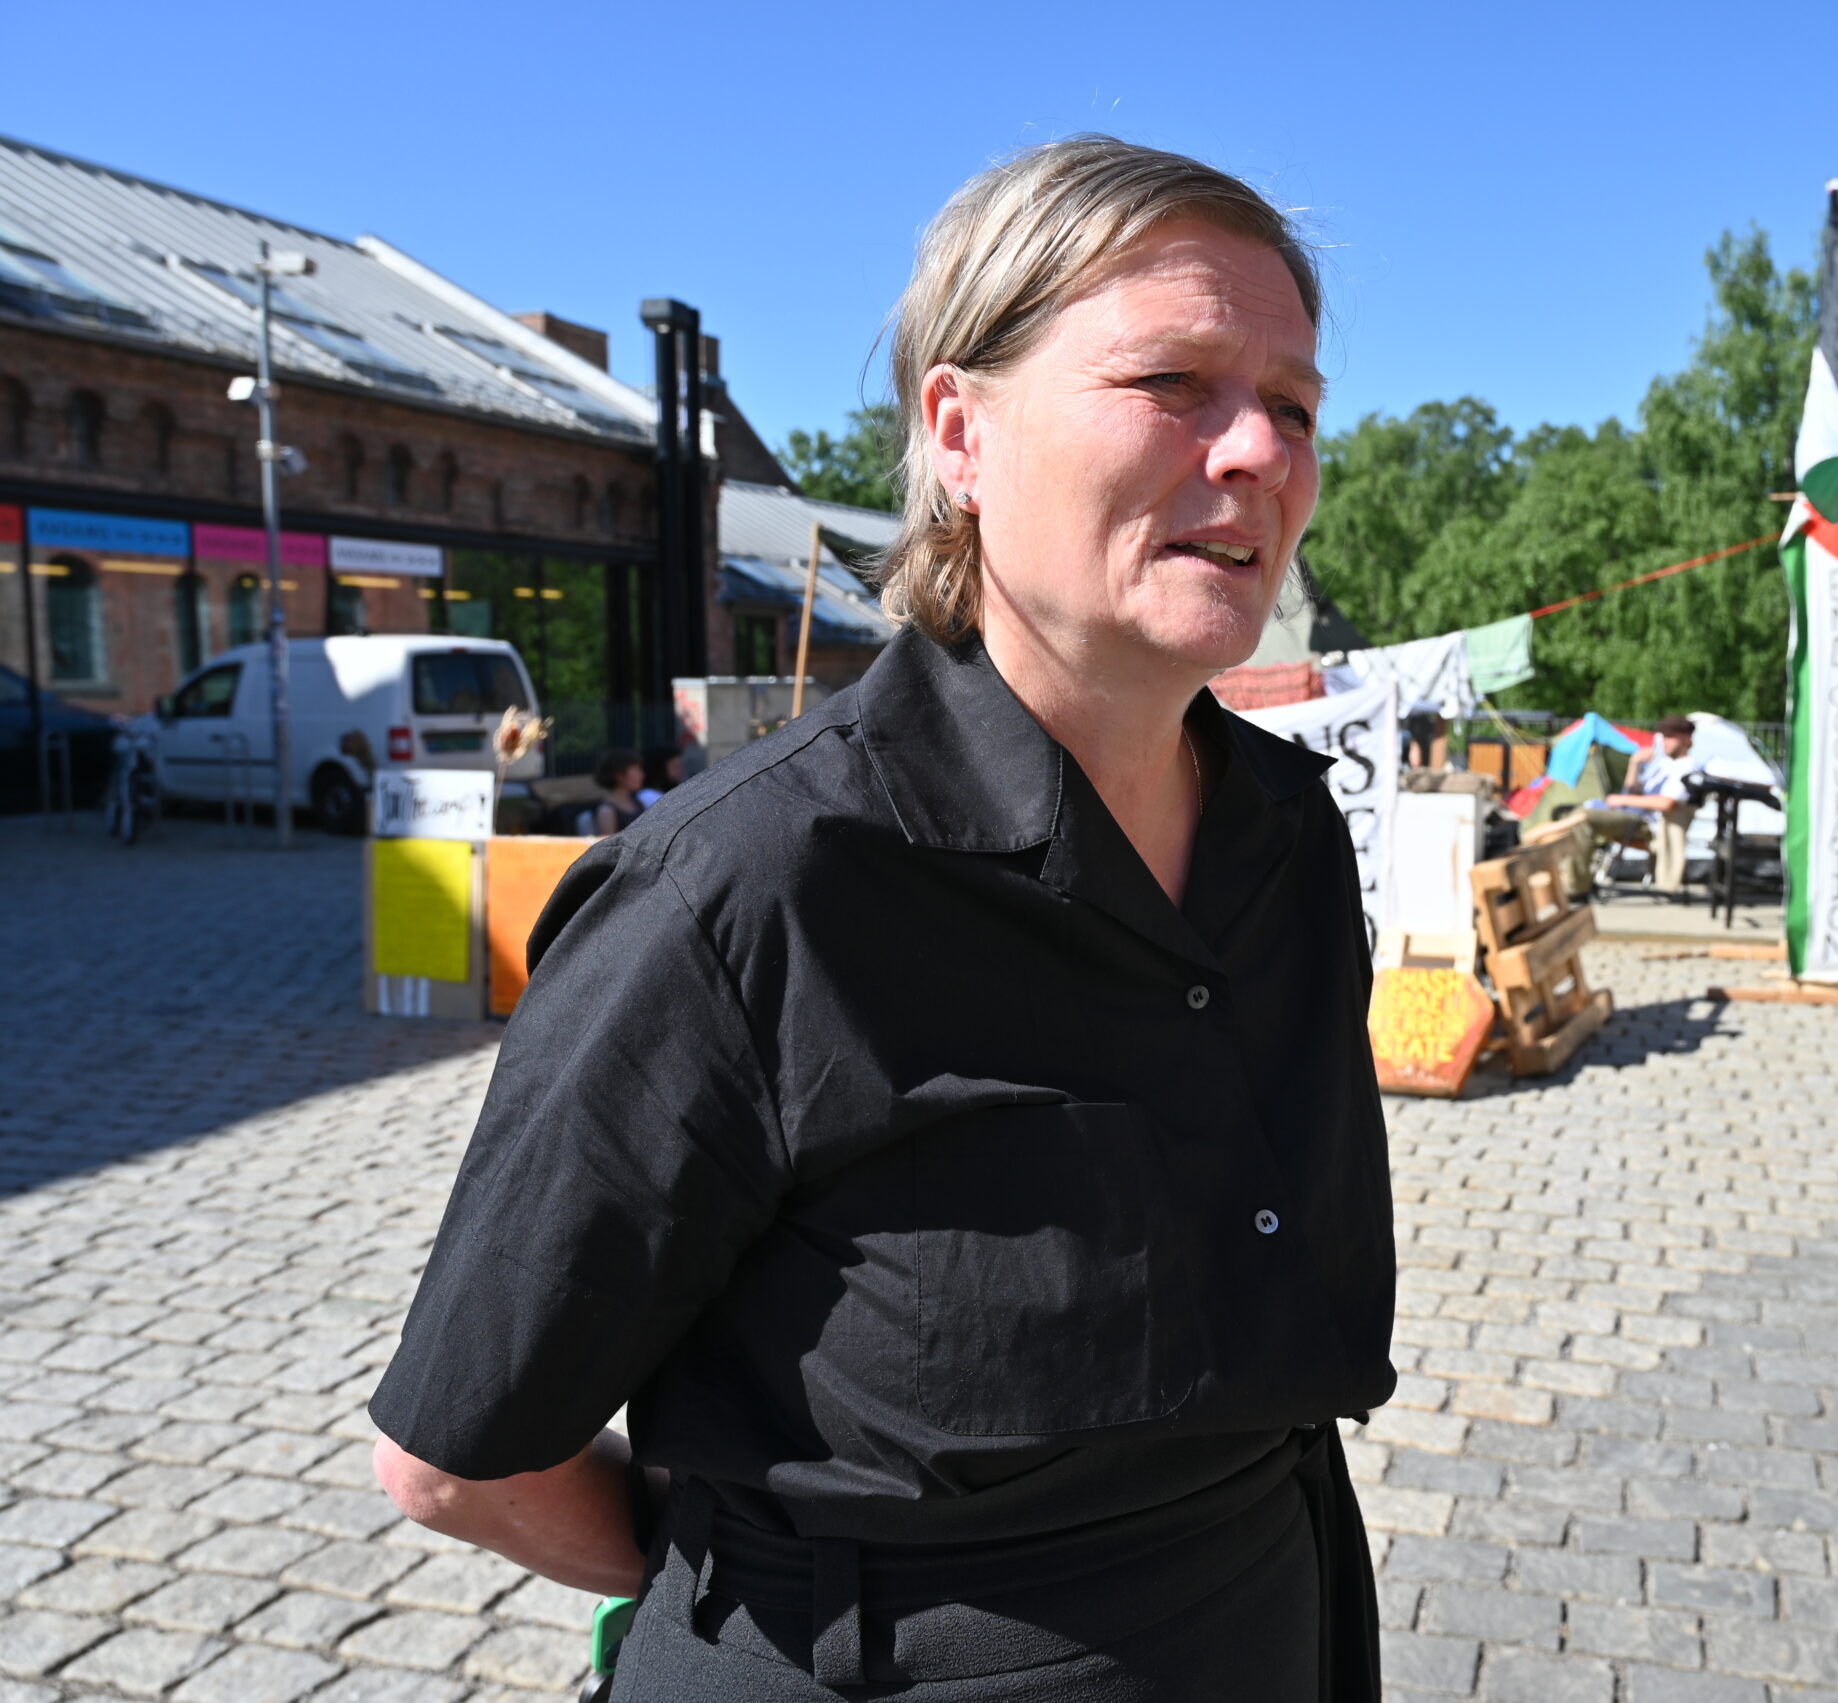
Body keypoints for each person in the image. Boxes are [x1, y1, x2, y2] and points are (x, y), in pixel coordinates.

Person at [367, 136, 1393, 1702]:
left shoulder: (1291, 835)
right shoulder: (753, 886)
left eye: (1296, 403)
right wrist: (754, 1587)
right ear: (960, 429)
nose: (1259, 446)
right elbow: (459, 1455)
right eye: (1176, 381)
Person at [1604, 716, 1703, 890]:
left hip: (1647, 825)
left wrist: (1621, 799)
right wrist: (1634, 764)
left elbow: (1667, 803)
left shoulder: (1687, 767)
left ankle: (1575, 889)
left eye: (1671, 737)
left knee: (1583, 820)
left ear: (1687, 739)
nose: (1665, 742)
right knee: (1578, 817)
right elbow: (1634, 791)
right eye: (1664, 737)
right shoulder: (1663, 765)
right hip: (1633, 817)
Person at [593, 748, 647, 835]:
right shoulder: (607, 811)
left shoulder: (638, 803)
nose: (642, 775)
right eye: (636, 770)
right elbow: (607, 846)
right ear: (619, 775)